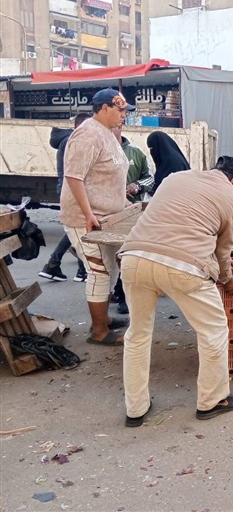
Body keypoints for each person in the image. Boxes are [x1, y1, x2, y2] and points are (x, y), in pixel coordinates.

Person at [119, 156, 233, 427]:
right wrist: (228, 279)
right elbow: (223, 251)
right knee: (213, 331)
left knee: (138, 334)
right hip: (184, 266)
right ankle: (212, 401)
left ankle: (135, 409)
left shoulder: (176, 177)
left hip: (134, 257)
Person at [60, 88, 134, 346]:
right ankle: (99, 331)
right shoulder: (88, 134)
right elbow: (74, 176)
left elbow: (110, 175)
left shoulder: (107, 133)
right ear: (104, 108)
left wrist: (124, 203)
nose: (124, 115)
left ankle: (103, 318)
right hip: (86, 220)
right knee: (99, 272)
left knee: (110, 270)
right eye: (120, 110)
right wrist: (88, 213)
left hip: (107, 219)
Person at [38, 113, 91, 283]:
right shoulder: (71, 141)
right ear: (80, 126)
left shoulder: (69, 140)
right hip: (72, 191)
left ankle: (54, 265)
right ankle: (77, 270)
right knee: (79, 228)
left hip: (70, 190)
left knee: (77, 229)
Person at [111, 126, 155, 315]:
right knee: (108, 259)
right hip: (106, 214)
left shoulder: (135, 153)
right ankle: (112, 293)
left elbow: (149, 178)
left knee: (127, 254)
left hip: (131, 214)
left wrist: (137, 185)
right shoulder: (97, 151)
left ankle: (123, 297)